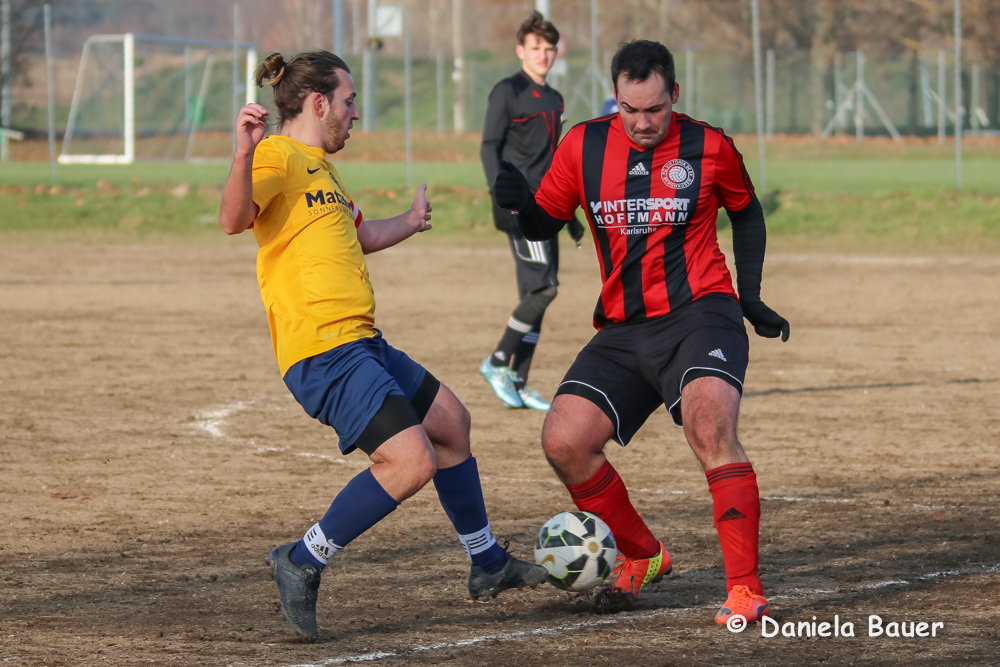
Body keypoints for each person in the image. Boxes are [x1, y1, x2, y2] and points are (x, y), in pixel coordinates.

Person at [219, 51, 547, 640]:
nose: (356, 113)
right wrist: (243, 153)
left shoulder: (321, 170)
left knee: (451, 424)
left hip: (362, 342)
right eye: (349, 101)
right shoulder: (276, 156)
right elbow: (234, 217)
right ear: (318, 102)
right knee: (410, 461)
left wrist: (411, 221)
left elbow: (361, 233)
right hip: (324, 349)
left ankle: (488, 562)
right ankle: (302, 558)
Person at [492, 40, 790, 624]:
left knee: (710, 428)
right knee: (564, 441)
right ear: (615, 98)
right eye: (630, 109)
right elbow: (546, 221)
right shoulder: (583, 145)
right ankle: (644, 554)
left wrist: (750, 295)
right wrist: (520, 207)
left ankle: (744, 589)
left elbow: (747, 211)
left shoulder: (709, 145)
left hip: (701, 313)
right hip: (624, 328)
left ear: (673, 94)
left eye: (654, 108)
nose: (643, 122)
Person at [478, 11, 584, 411]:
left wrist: (570, 215)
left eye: (549, 48)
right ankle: (497, 362)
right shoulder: (508, 91)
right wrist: (501, 192)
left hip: (548, 207)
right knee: (545, 289)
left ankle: (519, 383)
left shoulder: (555, 99)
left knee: (533, 294)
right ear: (520, 50)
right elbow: (489, 145)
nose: (543, 54)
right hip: (521, 208)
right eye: (536, 47)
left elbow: (554, 161)